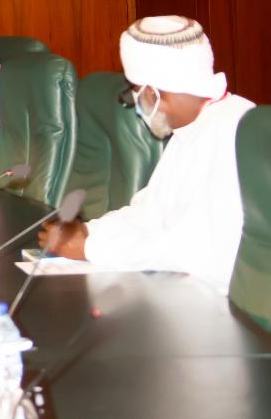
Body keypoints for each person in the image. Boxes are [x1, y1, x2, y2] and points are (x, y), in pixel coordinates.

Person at [40, 16, 255, 295]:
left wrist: (90, 248)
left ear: (152, 94)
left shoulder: (233, 131)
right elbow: (148, 214)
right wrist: (89, 232)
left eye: (135, 96)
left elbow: (191, 250)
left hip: (220, 302)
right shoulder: (195, 127)